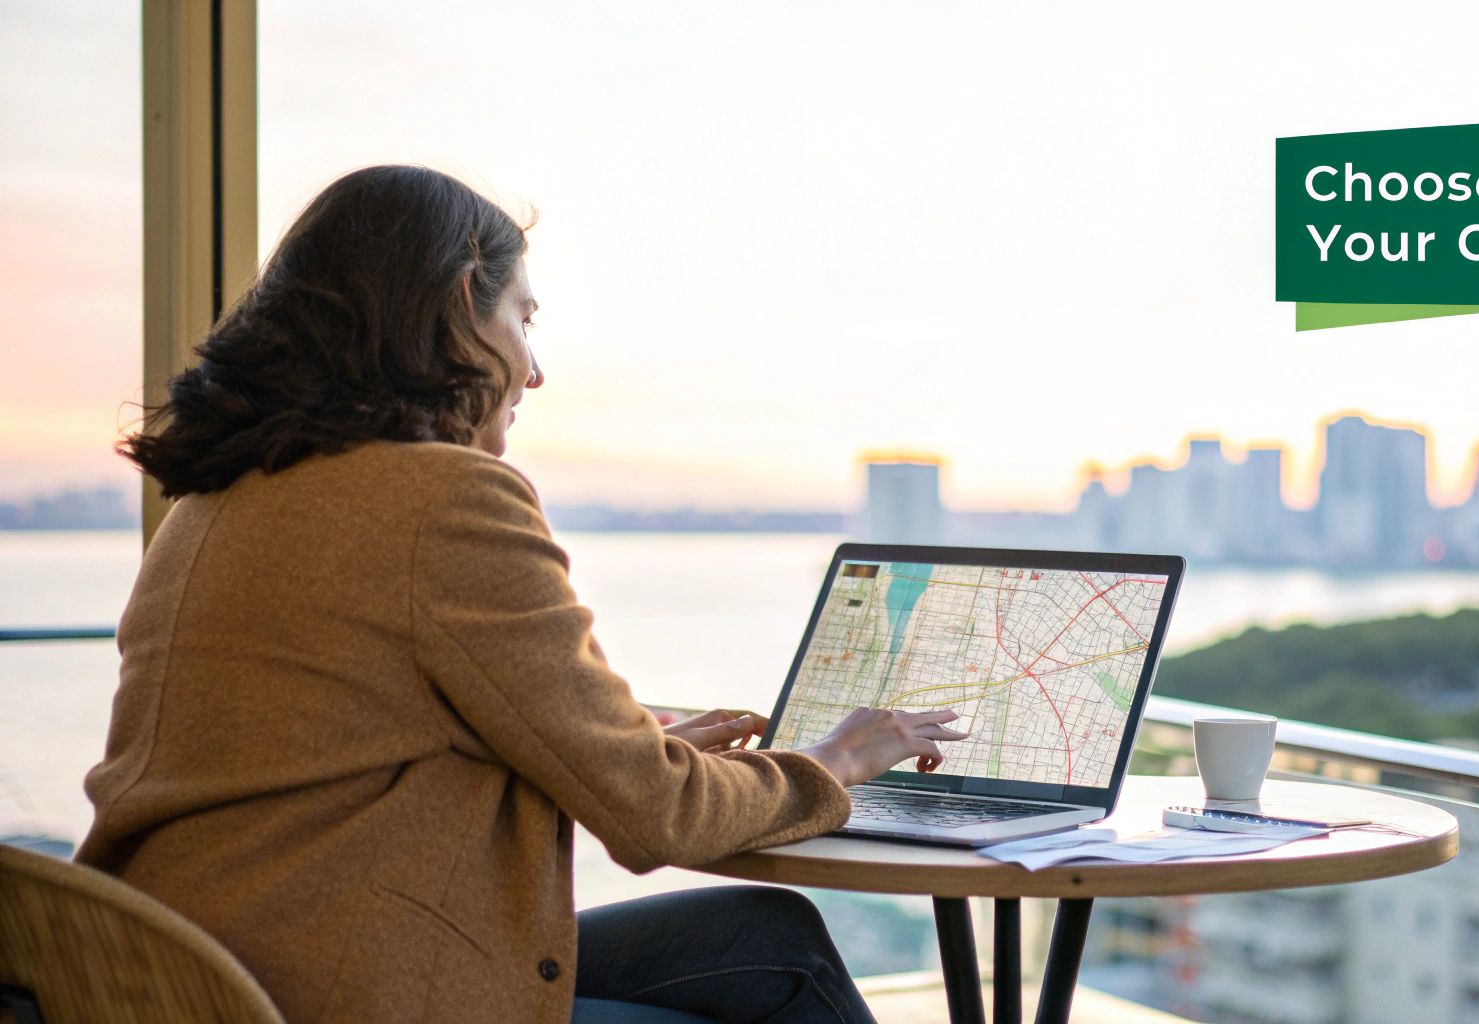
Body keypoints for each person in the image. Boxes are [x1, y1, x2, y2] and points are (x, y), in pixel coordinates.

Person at [76, 164, 967, 1024]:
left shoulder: (216, 500)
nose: (532, 370)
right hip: (341, 989)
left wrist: (619, 749)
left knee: (768, 937)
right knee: (778, 977)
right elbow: (659, 818)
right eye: (523, 317)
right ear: (464, 299)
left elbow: (344, 745)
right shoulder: (445, 497)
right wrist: (836, 761)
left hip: (183, 973)